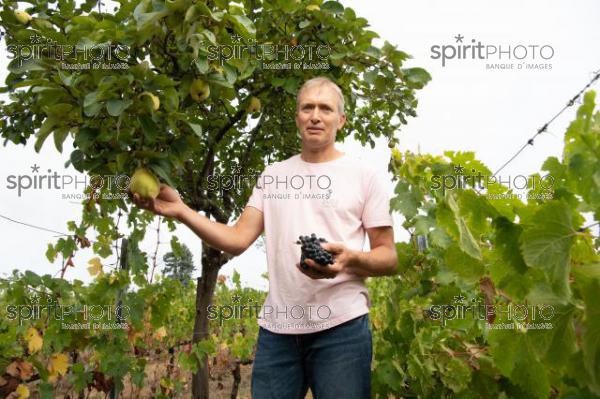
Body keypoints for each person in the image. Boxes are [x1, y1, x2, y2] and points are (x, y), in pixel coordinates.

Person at [131, 76, 398, 398]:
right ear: (297, 116)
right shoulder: (274, 175)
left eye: (325, 109)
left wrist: (351, 259)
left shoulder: (364, 176)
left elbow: (388, 256)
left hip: (342, 326)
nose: (315, 115)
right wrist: (183, 211)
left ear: (340, 119)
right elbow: (238, 238)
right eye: (307, 107)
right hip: (279, 330)